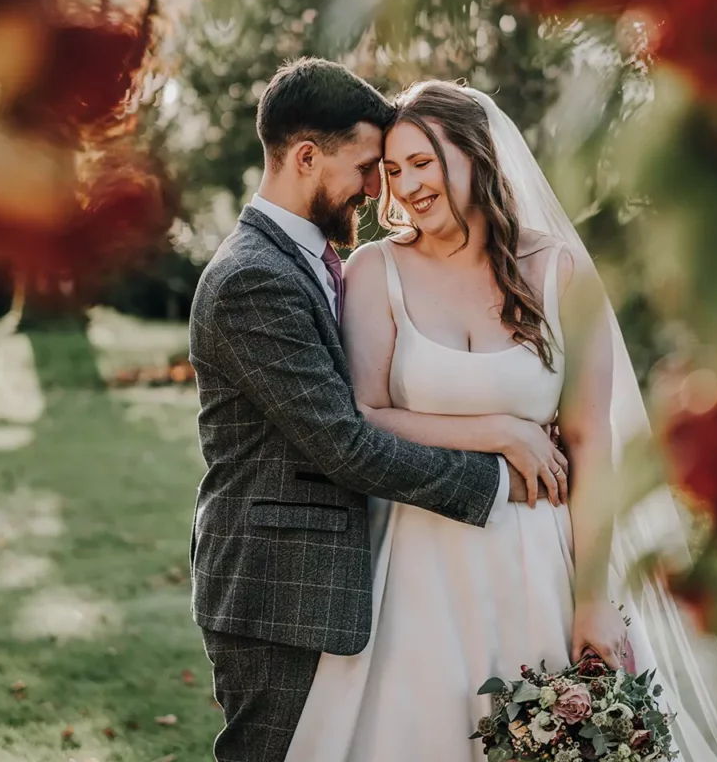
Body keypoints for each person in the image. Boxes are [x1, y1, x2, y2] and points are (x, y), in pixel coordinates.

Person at [283, 80, 717, 762]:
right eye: (393, 170)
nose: (406, 185)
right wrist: (498, 432)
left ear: (476, 155)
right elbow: (364, 415)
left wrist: (592, 598)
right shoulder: (375, 270)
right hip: (418, 560)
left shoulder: (563, 273)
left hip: (536, 555)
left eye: (424, 161)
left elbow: (591, 441)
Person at [188, 59, 557, 762]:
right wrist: (501, 472)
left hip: (324, 581)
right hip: (280, 591)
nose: (376, 188)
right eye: (367, 167)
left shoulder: (309, 260)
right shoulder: (253, 279)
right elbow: (345, 443)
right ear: (305, 158)